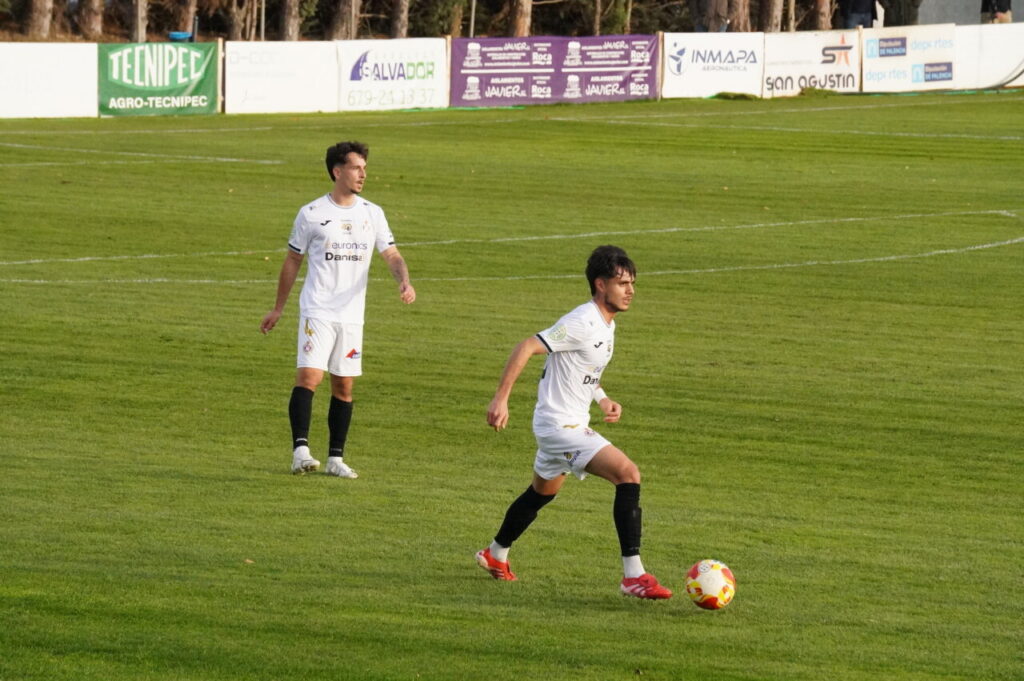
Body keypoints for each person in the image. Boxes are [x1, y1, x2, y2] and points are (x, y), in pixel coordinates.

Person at [477, 245, 672, 600]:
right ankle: (633, 575)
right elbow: (526, 347)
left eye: (632, 283)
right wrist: (500, 399)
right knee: (628, 474)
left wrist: (602, 399)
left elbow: (583, 369)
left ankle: (495, 553)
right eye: (622, 283)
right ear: (600, 285)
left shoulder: (605, 325)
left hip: (562, 424)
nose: (630, 290)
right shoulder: (582, 321)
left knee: (540, 494)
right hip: (560, 427)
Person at [260, 141, 416, 478]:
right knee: (310, 376)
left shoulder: (372, 213)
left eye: (364, 168)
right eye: (356, 168)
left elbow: (391, 254)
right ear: (337, 171)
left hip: (351, 315)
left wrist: (403, 280)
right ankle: (300, 451)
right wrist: (278, 308)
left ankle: (335, 459)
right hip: (317, 308)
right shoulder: (312, 213)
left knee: (344, 386)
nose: (363, 174)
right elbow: (292, 261)